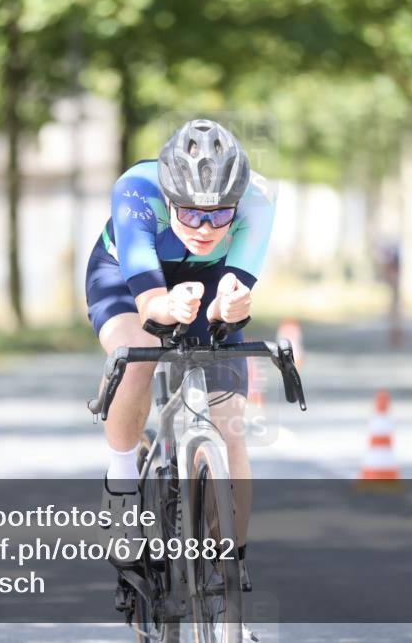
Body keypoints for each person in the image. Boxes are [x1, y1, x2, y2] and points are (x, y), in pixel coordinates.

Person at [85, 120, 275, 593]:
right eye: (189, 214)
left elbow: (234, 296)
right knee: (143, 352)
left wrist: (226, 307)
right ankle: (122, 481)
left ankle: (229, 569)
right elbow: (150, 305)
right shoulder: (135, 189)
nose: (206, 227)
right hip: (129, 277)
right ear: (169, 199)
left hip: (208, 282)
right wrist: (166, 306)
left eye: (219, 215)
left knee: (229, 423)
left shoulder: (259, 199)